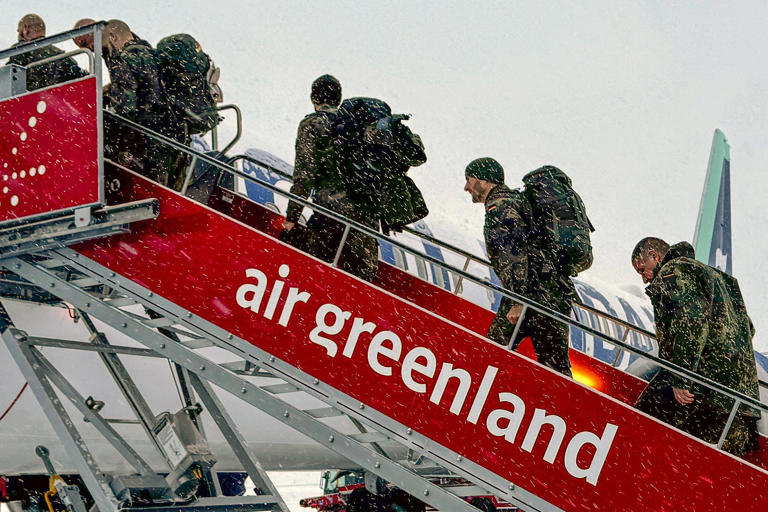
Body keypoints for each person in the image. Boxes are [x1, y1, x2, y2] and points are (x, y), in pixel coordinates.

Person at [631, 237, 761, 456]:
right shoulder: (720, 279)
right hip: (738, 400)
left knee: (638, 425)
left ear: (655, 256)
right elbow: (748, 327)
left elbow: (692, 321)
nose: (644, 279)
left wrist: (681, 378)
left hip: (705, 386)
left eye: (643, 270)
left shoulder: (674, 270)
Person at [465, 157, 574, 376]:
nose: (466, 187)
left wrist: (517, 300)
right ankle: (563, 407)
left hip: (531, 295)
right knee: (556, 370)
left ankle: (481, 396)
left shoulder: (500, 207)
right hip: (552, 294)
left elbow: (512, 254)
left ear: (485, 181)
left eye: (470, 180)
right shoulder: (517, 202)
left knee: (491, 353)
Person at [282, 75, 379, 282]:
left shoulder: (313, 124)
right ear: (339, 98)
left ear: (313, 98)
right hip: (367, 221)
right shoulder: (360, 126)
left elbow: (304, 177)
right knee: (359, 291)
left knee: (309, 280)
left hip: (330, 215)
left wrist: (292, 218)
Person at [102, 20, 184, 187]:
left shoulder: (123, 59)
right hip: (173, 135)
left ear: (112, 37)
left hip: (148, 138)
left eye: (104, 46)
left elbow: (126, 107)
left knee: (152, 191)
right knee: (167, 188)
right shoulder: (152, 55)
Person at [8, 14, 86, 91]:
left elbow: (6, 77)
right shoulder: (60, 54)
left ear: (25, 29)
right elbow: (82, 76)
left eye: (18, 31)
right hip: (58, 99)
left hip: (31, 100)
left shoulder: (20, 51)